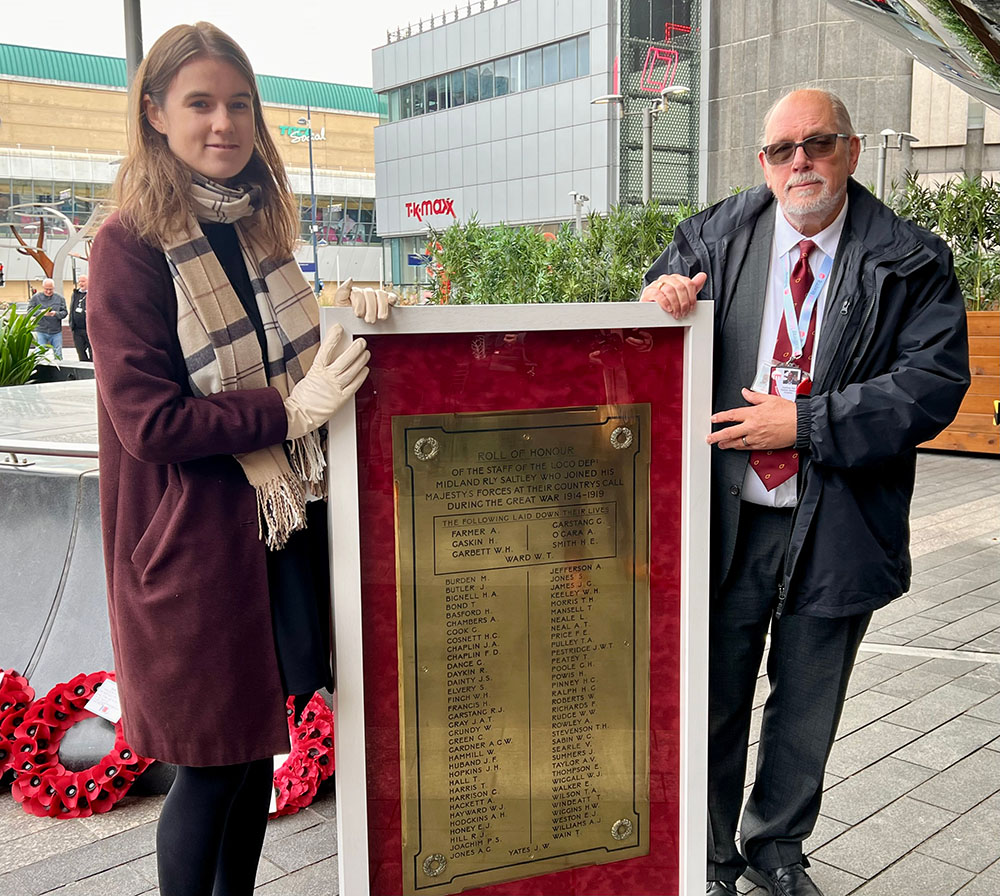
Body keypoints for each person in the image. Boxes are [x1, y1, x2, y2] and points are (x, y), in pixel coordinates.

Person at [87, 22, 393, 895]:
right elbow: (148, 421)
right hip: (190, 552)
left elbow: (303, 355)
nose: (224, 123)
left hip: (274, 538)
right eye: (199, 104)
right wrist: (285, 410)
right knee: (211, 767)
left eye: (239, 104)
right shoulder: (129, 244)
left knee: (258, 748)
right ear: (154, 115)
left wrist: (365, 316)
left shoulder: (258, 234)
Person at [641, 89, 969, 896]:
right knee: (712, 697)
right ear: (763, 163)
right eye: (783, 149)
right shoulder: (713, 237)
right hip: (724, 521)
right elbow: (648, 315)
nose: (801, 162)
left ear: (852, 150)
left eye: (818, 144)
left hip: (841, 522)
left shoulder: (912, 260)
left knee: (807, 706)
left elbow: (932, 385)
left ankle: (776, 852)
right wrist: (658, 297)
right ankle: (712, 858)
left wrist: (808, 423)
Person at [28, 278, 67, 359]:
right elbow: (29, 311)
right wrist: (41, 312)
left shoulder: (60, 298)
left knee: (58, 354)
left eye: (51, 289)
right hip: (41, 330)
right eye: (46, 289)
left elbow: (65, 313)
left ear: (54, 288)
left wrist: (56, 314)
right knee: (39, 354)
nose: (48, 291)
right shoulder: (36, 298)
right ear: (43, 287)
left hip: (56, 331)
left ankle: (58, 370)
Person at [69, 275, 91, 361]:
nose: (81, 283)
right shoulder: (75, 294)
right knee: (80, 351)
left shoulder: (92, 293)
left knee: (92, 351)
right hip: (77, 329)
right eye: (80, 281)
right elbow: (71, 308)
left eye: (83, 281)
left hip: (89, 329)